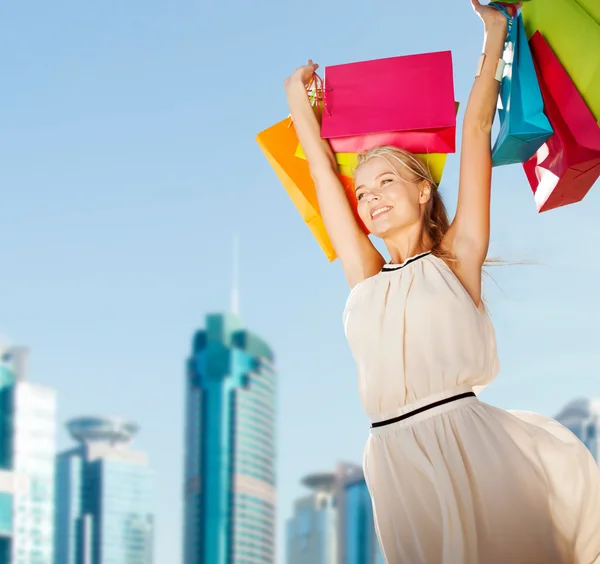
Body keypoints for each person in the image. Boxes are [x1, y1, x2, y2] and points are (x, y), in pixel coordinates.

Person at [284, 1, 600, 563]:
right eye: (363, 191)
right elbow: (318, 172)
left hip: (468, 447)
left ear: (424, 190)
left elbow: (475, 126)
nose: (371, 195)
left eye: (386, 181)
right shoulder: (364, 277)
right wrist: (299, 105)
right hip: (392, 459)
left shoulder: (457, 256)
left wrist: (496, 33)